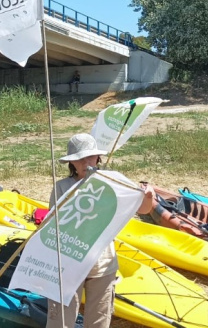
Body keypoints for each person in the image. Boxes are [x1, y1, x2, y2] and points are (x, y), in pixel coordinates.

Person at [47, 133, 156, 328]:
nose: (86, 162)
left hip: (102, 264)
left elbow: (144, 209)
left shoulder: (113, 182)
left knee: (99, 322)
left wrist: (147, 196)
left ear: (98, 158)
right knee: (60, 322)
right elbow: (52, 224)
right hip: (68, 262)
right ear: (72, 163)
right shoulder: (62, 187)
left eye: (90, 157)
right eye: (80, 159)